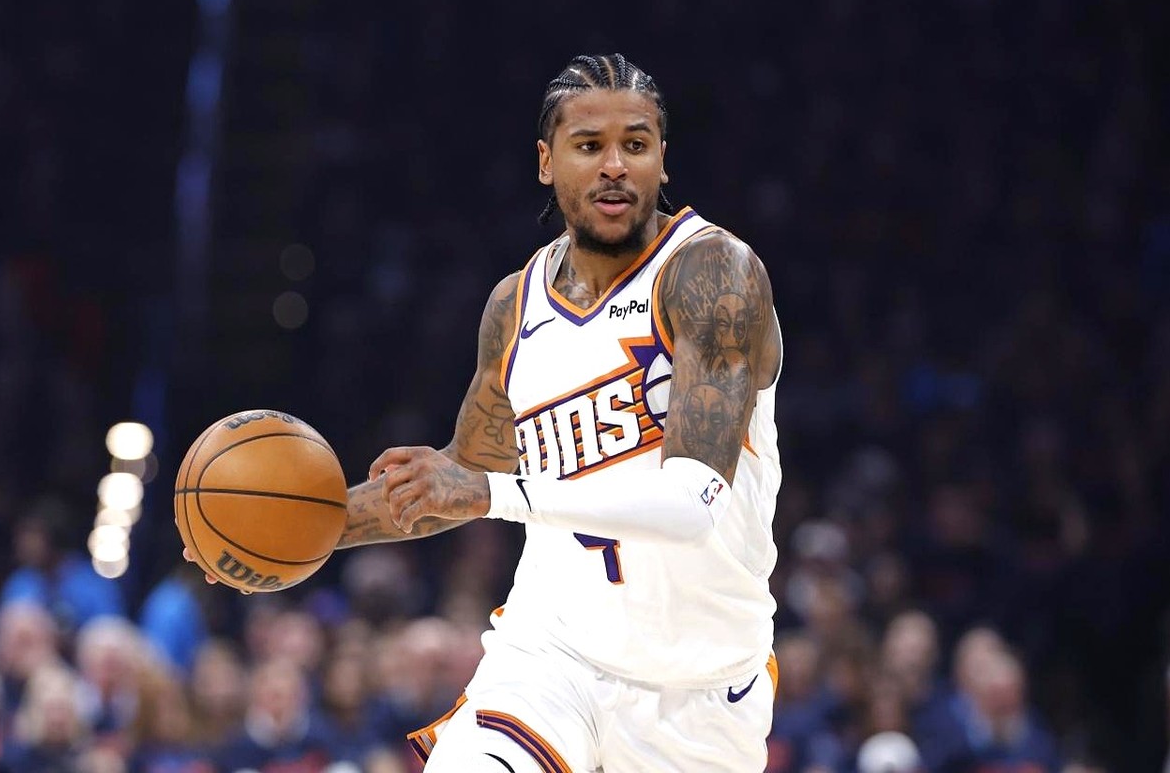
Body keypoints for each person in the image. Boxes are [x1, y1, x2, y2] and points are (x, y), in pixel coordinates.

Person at [186, 52, 784, 772]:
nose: (614, 166)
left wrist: (488, 492)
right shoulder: (515, 305)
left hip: (701, 690)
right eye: (589, 145)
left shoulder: (714, 273)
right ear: (546, 162)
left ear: (663, 159)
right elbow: (462, 476)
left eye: (636, 144)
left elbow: (692, 505)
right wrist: (279, 534)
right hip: (550, 657)